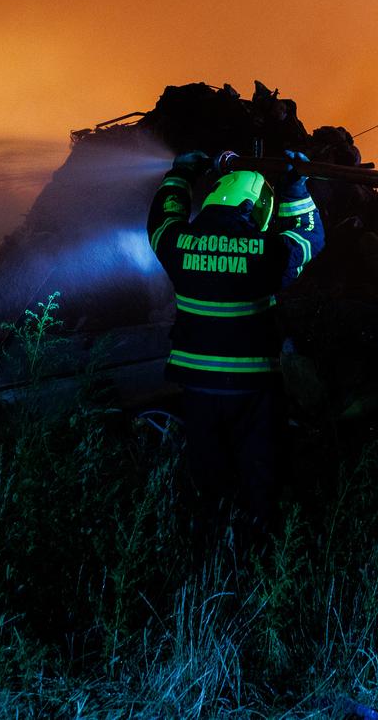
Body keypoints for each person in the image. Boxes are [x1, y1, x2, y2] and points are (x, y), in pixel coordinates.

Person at [146, 149, 324, 548]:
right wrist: (295, 188)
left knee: (208, 477)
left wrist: (181, 175)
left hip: (197, 390)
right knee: (260, 478)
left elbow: (162, 219)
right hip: (253, 389)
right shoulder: (267, 252)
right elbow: (308, 237)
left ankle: (209, 552)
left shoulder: (177, 244)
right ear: (257, 206)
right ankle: (257, 554)